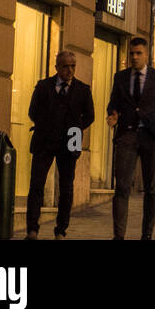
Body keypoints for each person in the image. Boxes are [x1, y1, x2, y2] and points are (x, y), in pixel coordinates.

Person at [25, 50, 95, 240]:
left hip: (70, 143)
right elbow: (33, 111)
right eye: (65, 66)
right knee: (36, 186)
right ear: (57, 67)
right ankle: (32, 229)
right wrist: (44, 124)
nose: (70, 70)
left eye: (73, 66)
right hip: (44, 142)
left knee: (66, 188)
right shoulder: (43, 86)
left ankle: (61, 230)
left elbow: (90, 116)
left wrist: (76, 128)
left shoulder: (82, 89)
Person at [106, 36, 155, 240]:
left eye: (138, 53)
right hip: (127, 134)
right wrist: (113, 114)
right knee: (122, 186)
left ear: (147, 55)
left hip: (151, 136)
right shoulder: (120, 77)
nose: (134, 57)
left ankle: (147, 235)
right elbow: (113, 102)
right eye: (132, 53)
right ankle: (119, 235)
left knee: (151, 188)